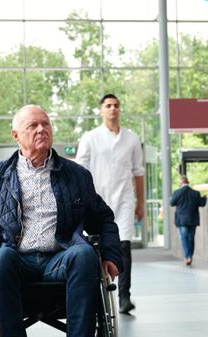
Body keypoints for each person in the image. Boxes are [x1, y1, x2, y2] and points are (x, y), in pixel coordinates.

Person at [0, 105, 123, 337]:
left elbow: (104, 219)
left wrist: (111, 255)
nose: (41, 130)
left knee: (84, 254)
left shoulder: (77, 175)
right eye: (33, 126)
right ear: (16, 136)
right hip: (14, 260)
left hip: (61, 259)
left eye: (45, 124)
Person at [75, 93, 145, 314]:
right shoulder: (90, 138)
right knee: (95, 246)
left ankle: (124, 296)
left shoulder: (132, 139)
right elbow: (79, 170)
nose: (113, 109)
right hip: (96, 201)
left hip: (124, 199)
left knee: (124, 246)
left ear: (119, 109)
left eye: (116, 105)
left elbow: (138, 172)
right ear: (101, 110)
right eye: (108, 105)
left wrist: (140, 202)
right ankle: (96, 292)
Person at [169, 175, 207, 266]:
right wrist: (204, 198)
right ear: (188, 182)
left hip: (181, 220)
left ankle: (187, 257)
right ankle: (190, 256)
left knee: (184, 238)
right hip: (192, 219)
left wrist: (171, 197)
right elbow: (202, 204)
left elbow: (171, 203)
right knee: (191, 238)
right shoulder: (195, 193)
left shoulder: (177, 192)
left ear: (180, 183)